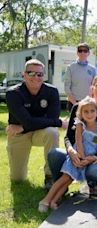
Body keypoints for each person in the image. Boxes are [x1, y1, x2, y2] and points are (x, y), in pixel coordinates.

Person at [48, 74, 97, 199]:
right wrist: (71, 151)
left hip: (95, 157)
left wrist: (92, 158)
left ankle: (92, 184)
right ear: (92, 88)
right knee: (54, 154)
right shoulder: (78, 107)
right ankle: (60, 185)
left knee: (94, 171)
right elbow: (68, 137)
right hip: (76, 153)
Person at [5, 59, 67, 189]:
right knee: (18, 178)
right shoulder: (13, 93)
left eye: (39, 74)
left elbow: (50, 118)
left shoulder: (52, 91)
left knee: (52, 132)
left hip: (28, 130)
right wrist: (58, 122)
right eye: (31, 73)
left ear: (43, 76)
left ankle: (50, 177)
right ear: (24, 74)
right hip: (19, 135)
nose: (36, 77)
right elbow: (50, 120)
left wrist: (23, 125)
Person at [38, 97, 97, 212]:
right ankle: (46, 200)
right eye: (86, 111)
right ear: (81, 113)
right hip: (77, 156)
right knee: (64, 178)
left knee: (69, 179)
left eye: (92, 111)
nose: (89, 114)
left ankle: (54, 200)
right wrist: (82, 158)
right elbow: (78, 141)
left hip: (89, 158)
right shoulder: (80, 125)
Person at [64, 43, 97, 111]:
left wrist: (90, 100)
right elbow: (67, 86)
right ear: (77, 53)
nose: (82, 52)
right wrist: (75, 103)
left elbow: (95, 87)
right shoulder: (70, 67)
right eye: (80, 50)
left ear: (88, 53)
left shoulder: (93, 69)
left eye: (85, 51)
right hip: (73, 102)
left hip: (88, 102)